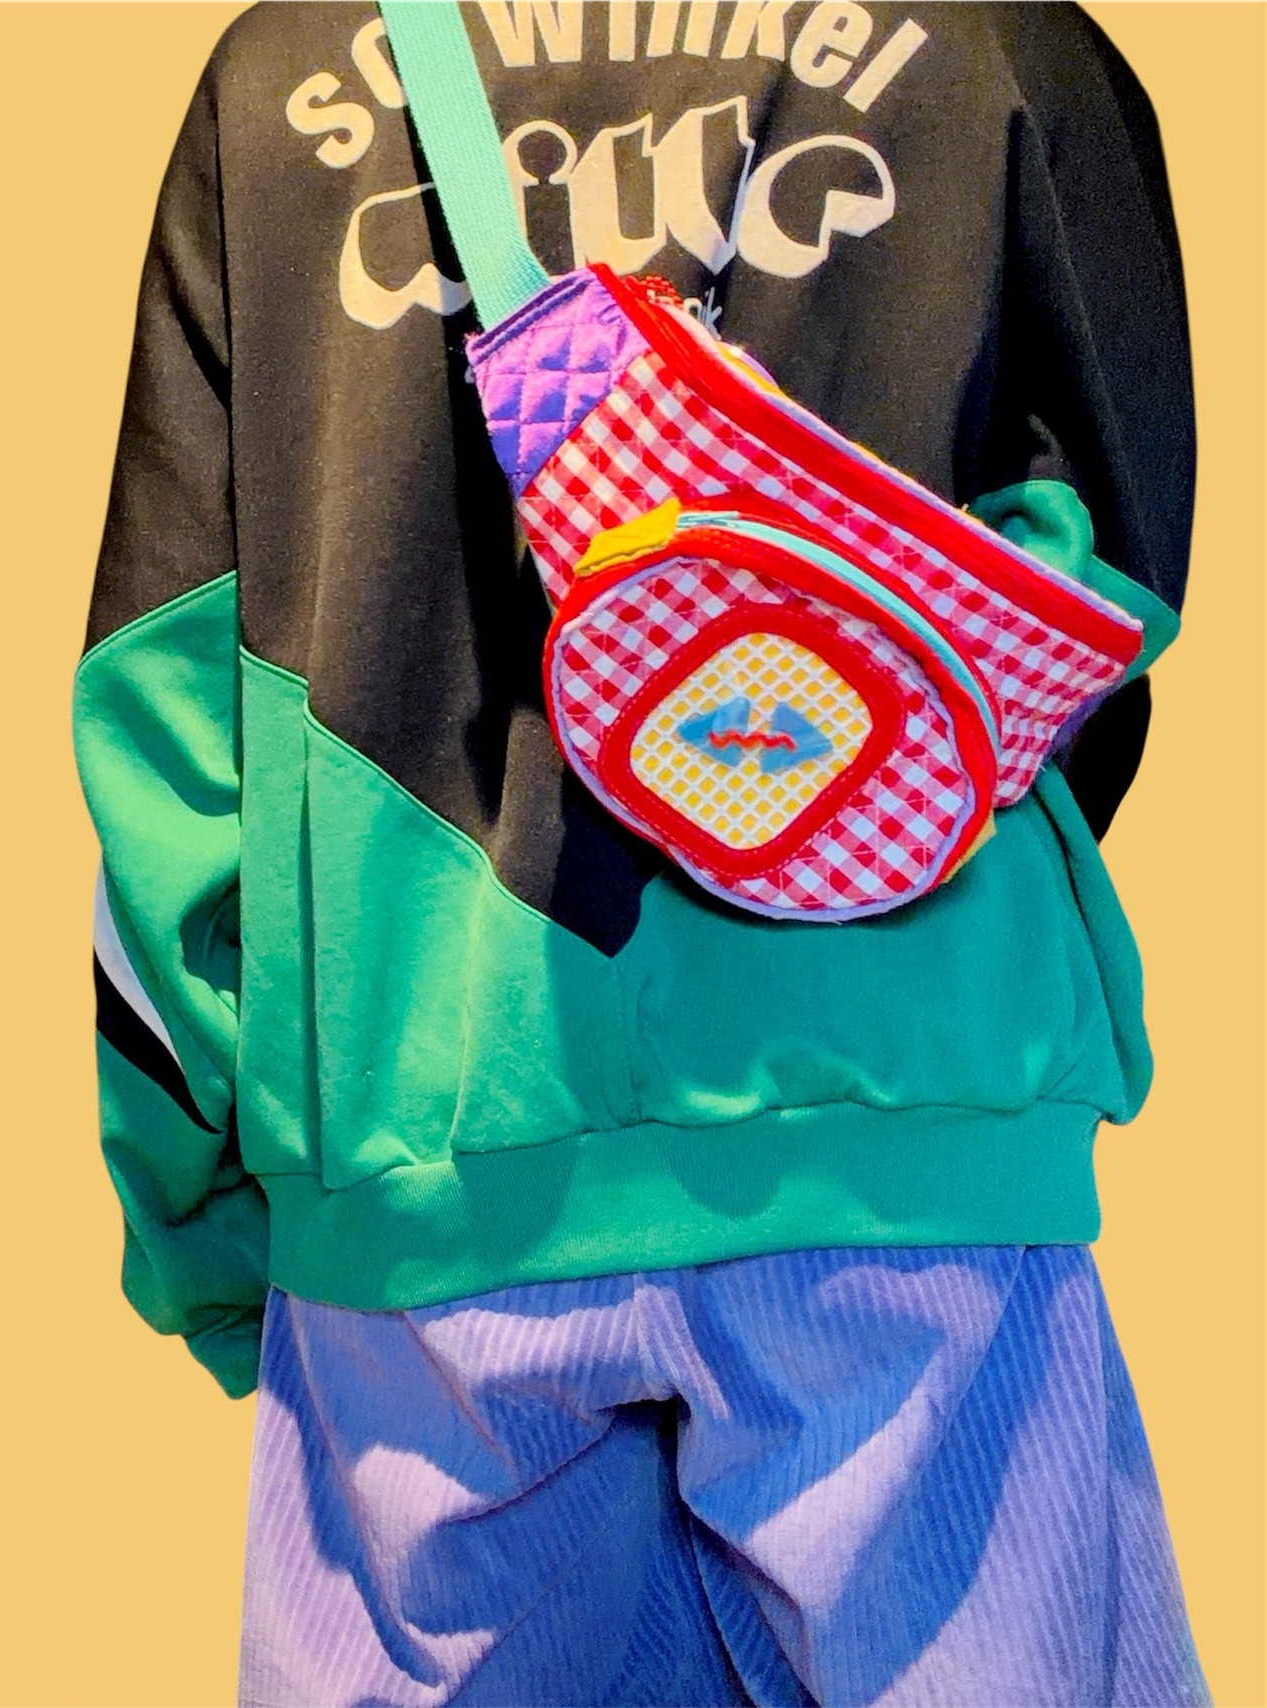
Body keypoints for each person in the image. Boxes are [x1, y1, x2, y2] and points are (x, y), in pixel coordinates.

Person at [72, 3, 1210, 1703]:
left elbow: (168, 719)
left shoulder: (277, 73)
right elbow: (1093, 617)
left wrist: (227, 1233)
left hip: (426, 1176)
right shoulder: (1006, 39)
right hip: (909, 1165)